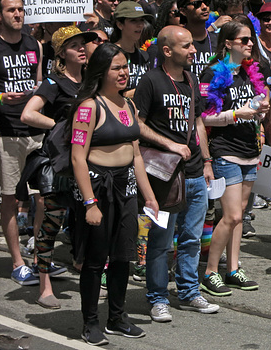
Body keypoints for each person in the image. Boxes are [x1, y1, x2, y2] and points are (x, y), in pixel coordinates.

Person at [69, 42, 159, 345]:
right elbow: (78, 157)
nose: (124, 73)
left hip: (126, 188)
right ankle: (90, 322)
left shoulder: (128, 105)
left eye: (125, 67)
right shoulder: (88, 107)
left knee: (123, 256)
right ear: (101, 71)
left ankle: (117, 317)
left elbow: (136, 155)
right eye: (116, 68)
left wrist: (149, 196)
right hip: (97, 188)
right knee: (96, 260)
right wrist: (90, 203)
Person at [135, 26, 219, 321]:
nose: (194, 50)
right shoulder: (151, 81)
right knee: (160, 240)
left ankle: (189, 290)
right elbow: (137, 124)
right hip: (164, 176)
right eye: (186, 46)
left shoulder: (191, 79)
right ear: (167, 51)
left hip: (194, 171)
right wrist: (168, 143)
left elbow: (197, 123)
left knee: (192, 238)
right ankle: (158, 297)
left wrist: (207, 160)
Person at [21, 25, 96, 309]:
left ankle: (85, 272)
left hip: (88, 163)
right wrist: (62, 127)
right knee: (52, 224)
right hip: (59, 165)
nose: (81, 48)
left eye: (83, 43)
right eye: (74, 44)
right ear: (62, 53)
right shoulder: (53, 83)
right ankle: (44, 284)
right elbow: (29, 114)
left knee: (87, 222)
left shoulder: (91, 81)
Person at [0, 0, 45, 286]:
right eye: (11, 10)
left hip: (37, 133)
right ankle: (17, 262)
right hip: (7, 134)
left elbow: (40, 84)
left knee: (44, 196)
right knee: (9, 197)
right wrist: (1, 98)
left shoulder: (35, 45)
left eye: (20, 9)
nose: (18, 14)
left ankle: (40, 257)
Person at [199, 20, 269, 296]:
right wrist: (237, 115)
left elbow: (253, 109)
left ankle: (233, 268)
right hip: (225, 151)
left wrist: (259, 111)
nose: (250, 44)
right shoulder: (213, 73)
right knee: (231, 215)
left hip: (250, 150)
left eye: (251, 40)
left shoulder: (249, 72)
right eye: (243, 40)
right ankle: (210, 271)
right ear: (227, 43)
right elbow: (205, 118)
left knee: (239, 217)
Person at [110, 1, 155, 98]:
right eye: (133, 21)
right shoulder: (108, 54)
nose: (139, 25)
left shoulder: (144, 55)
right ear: (120, 24)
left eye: (141, 20)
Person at [177, 0, 216, 77]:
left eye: (206, 2)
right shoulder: (177, 43)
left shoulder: (219, 41)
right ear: (183, 11)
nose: (204, 7)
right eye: (197, 4)